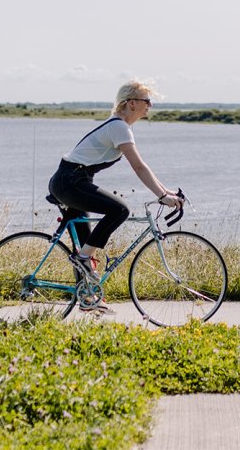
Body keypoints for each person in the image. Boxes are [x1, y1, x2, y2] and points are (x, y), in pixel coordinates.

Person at [48, 80, 183, 313]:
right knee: (119, 210)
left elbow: (144, 166)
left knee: (85, 243)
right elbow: (139, 167)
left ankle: (87, 298)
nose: (149, 105)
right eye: (146, 101)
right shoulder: (119, 127)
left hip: (70, 181)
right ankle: (83, 264)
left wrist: (166, 191)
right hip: (70, 181)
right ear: (132, 103)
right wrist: (161, 195)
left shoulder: (121, 127)